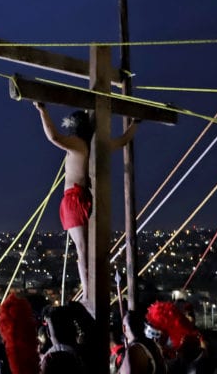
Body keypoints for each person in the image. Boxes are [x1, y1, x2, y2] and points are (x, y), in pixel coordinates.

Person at [33, 103, 138, 300]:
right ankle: (91, 290)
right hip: (83, 198)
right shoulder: (96, 146)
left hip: (74, 198)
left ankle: (89, 293)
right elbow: (123, 140)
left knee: (82, 250)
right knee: (86, 249)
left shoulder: (77, 144)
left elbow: (53, 137)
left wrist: (42, 110)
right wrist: (136, 123)